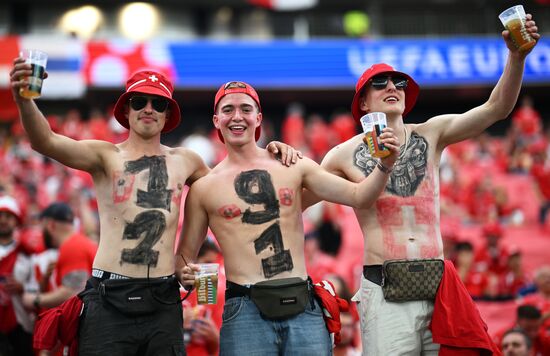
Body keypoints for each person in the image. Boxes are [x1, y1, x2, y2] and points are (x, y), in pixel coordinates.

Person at [9, 61, 299, 355]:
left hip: (162, 299)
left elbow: (231, 190)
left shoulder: (187, 160)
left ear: (167, 114)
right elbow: (44, 141)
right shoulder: (104, 155)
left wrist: (270, 153)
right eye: (139, 102)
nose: (148, 109)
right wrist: (24, 100)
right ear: (126, 110)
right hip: (110, 296)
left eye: (158, 103)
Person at [308, 13, 540, 354]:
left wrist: (516, 57)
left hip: (438, 289)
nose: (392, 87)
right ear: (362, 102)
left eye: (397, 83)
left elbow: (497, 109)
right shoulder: (341, 155)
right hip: (385, 291)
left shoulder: (432, 133)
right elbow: (299, 199)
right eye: (381, 83)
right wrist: (285, 158)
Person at [176, 80, 399, 355]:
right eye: (228, 110)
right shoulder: (203, 188)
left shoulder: (293, 164)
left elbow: (359, 196)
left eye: (245, 109)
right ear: (216, 119)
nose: (237, 117)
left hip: (302, 305)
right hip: (245, 309)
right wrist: (185, 272)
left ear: (258, 118)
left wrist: (385, 164)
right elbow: (184, 256)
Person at [0, 195, 33, 356]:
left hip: (20, 323)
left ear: (16, 221)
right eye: (0, 216)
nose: (3, 220)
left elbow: (37, 288)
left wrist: (23, 288)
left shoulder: (27, 253)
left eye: (8, 216)